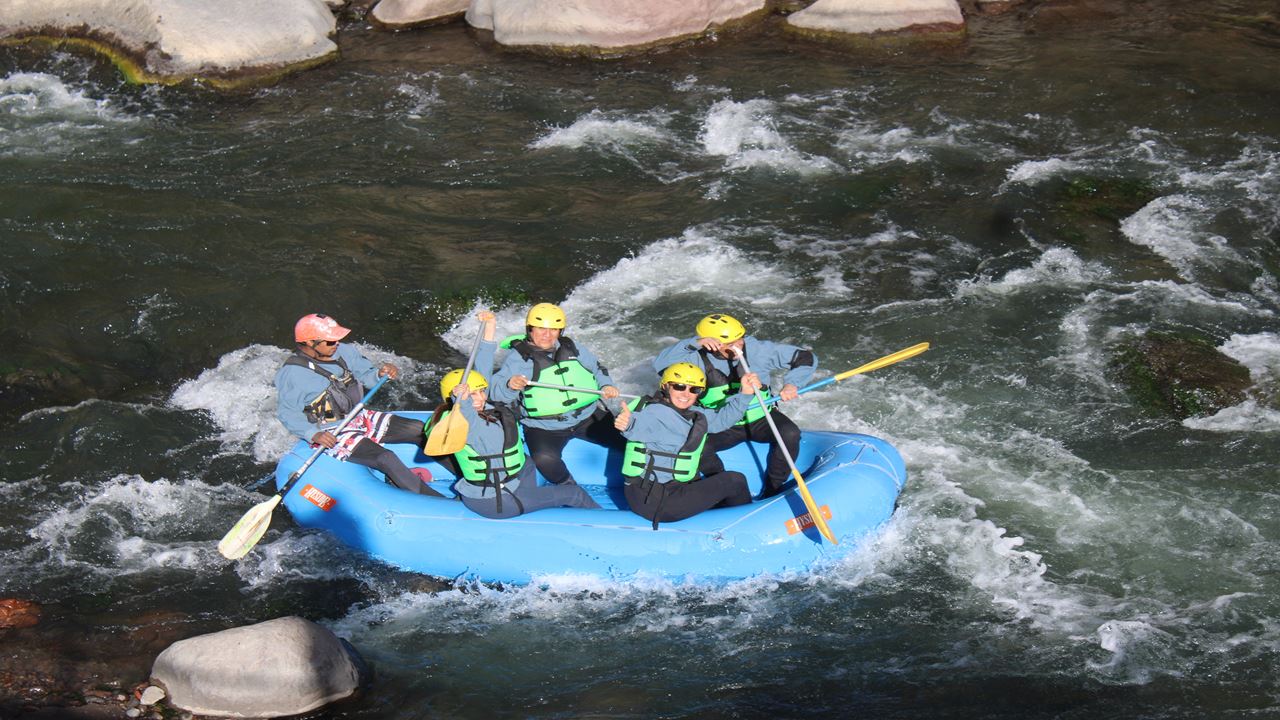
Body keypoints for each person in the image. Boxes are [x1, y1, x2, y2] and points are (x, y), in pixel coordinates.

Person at [651, 313, 817, 499]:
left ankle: (773, 489)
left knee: (790, 433)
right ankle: (723, 486)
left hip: (761, 417)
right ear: (712, 345)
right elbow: (660, 365)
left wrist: (792, 384)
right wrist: (696, 342)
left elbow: (804, 357)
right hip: (721, 422)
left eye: (740, 340)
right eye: (731, 343)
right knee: (697, 448)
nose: (738, 346)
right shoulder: (694, 358)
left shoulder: (756, 350)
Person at [275, 313, 442, 497]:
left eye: (337, 339)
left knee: (422, 430)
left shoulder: (345, 352)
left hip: (359, 417)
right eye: (330, 341)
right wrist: (313, 434)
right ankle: (436, 501)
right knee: (385, 458)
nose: (336, 344)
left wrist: (380, 374)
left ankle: (472, 481)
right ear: (310, 343)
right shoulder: (293, 374)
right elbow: (287, 413)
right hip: (332, 430)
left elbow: (366, 375)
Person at [489, 302, 624, 486]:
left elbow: (598, 369)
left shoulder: (572, 347)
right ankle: (571, 490)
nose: (547, 335)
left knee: (629, 438)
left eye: (554, 329)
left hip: (587, 417)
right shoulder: (517, 359)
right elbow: (496, 394)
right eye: (541, 329)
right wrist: (511, 385)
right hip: (544, 427)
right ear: (530, 329)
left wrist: (607, 385)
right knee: (544, 459)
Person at [439, 369, 600, 519]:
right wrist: (460, 400)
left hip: (495, 489)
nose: (481, 398)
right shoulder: (466, 422)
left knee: (527, 462)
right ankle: (605, 522)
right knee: (574, 494)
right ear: (457, 398)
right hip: (497, 502)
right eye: (472, 394)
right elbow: (464, 411)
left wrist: (487, 341)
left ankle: (529, 497)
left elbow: (483, 372)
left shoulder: (478, 413)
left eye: (481, 391)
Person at [613, 362, 758, 528]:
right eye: (680, 387)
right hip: (656, 500)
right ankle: (747, 527)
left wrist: (745, 393)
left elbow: (720, 420)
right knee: (735, 480)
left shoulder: (692, 413)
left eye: (694, 389)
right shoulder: (654, 414)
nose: (686, 394)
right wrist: (627, 424)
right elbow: (639, 425)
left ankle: (724, 514)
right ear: (666, 386)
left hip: (665, 489)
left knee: (707, 458)